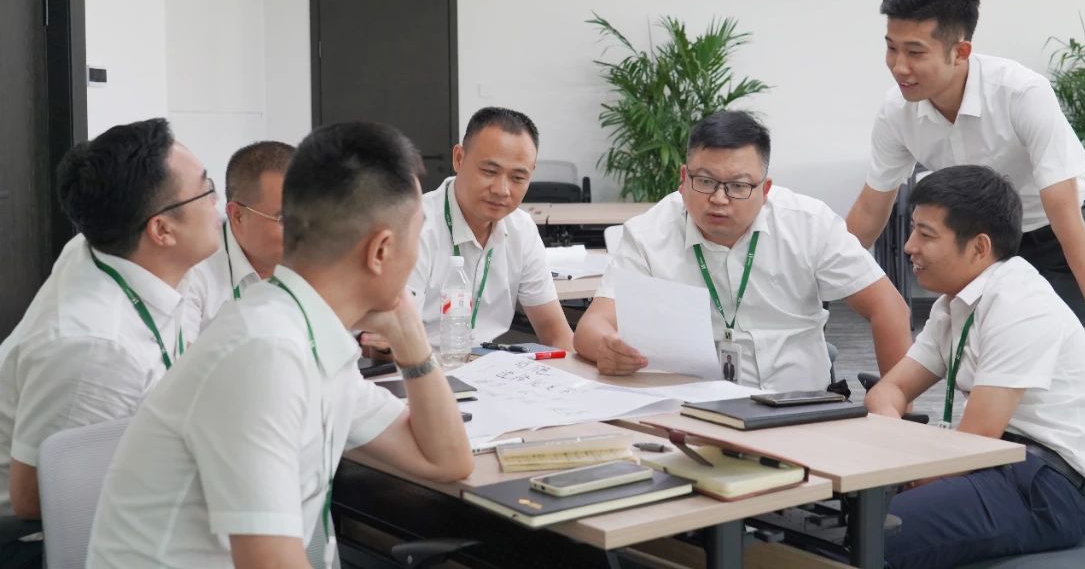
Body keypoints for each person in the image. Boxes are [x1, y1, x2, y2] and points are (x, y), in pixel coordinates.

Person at [88, 121, 473, 568]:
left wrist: (412, 341)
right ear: (381, 251)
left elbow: (447, 460)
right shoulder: (264, 352)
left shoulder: (306, 333)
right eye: (417, 235)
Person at [844, 0, 1085, 353]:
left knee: (1056, 352)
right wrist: (821, 271)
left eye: (915, 52)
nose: (898, 66)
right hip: (984, 245)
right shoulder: (896, 112)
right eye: (891, 48)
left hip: (1054, 236)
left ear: (960, 52)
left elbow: (1061, 207)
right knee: (977, 352)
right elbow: (871, 208)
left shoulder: (1021, 93)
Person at [866, 165, 1085, 569]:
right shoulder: (953, 304)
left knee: (872, 535)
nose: (909, 246)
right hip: (990, 466)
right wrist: (899, 450)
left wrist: (905, 470)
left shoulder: (1019, 303)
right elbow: (887, 391)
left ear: (979, 247)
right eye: (912, 230)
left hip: (1043, 485)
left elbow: (976, 441)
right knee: (832, 517)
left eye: (926, 234)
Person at [574, 111, 912, 391]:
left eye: (737, 186)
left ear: (765, 189)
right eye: (705, 181)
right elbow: (592, 326)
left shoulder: (808, 223)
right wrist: (608, 347)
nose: (719, 199)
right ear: (684, 178)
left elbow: (889, 309)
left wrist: (896, 407)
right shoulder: (648, 233)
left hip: (799, 407)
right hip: (689, 410)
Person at [0, 119, 218, 534]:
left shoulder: (111, 249)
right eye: (206, 190)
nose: (217, 203)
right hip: (34, 537)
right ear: (162, 230)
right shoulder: (97, 347)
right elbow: (33, 497)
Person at [400, 107, 573, 353]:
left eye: (517, 178)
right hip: (424, 365)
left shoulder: (521, 228)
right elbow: (398, 339)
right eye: (489, 172)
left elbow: (556, 334)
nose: (502, 190)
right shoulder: (414, 226)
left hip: (491, 365)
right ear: (458, 158)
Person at [185, 140, 294, 331]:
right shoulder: (193, 270)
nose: (304, 231)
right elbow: (183, 349)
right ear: (238, 216)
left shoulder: (323, 256)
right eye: (285, 219)